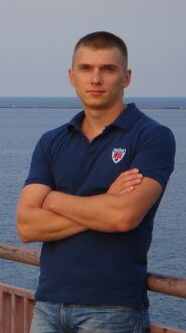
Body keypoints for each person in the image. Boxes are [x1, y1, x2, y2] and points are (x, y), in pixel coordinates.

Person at [16, 31, 175, 333]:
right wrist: (105, 203)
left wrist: (52, 199)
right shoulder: (52, 141)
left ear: (126, 77)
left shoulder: (152, 137)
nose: (96, 79)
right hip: (48, 304)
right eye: (86, 68)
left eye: (108, 69)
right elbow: (26, 226)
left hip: (112, 308)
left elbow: (123, 217)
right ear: (71, 76)